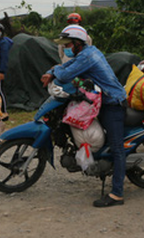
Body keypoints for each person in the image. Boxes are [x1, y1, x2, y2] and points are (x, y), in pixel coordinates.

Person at [41, 25, 127, 208]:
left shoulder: (88, 56)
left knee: (118, 149)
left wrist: (53, 72)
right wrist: (52, 71)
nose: (65, 48)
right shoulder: (84, 53)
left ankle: (117, 194)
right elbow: (63, 67)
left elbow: (64, 74)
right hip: (101, 101)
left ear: (78, 43)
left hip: (113, 104)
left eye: (67, 44)